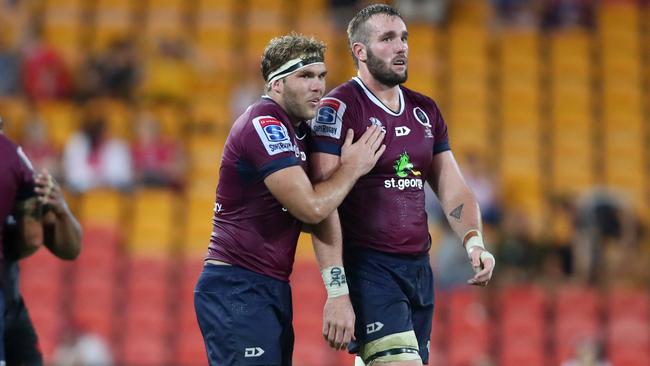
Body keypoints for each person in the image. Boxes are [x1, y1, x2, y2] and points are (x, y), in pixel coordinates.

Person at [309, 5, 496, 365]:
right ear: (360, 51)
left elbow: (452, 188)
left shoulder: (425, 110)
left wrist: (474, 242)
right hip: (369, 267)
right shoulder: (339, 108)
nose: (401, 47)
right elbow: (321, 205)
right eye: (387, 38)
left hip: (419, 270)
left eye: (404, 38)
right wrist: (336, 290)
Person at [193, 33, 386, 366]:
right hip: (238, 286)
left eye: (322, 76)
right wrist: (352, 168)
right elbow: (311, 207)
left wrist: (339, 290)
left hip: (270, 287)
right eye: (305, 76)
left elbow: (325, 209)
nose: (318, 86)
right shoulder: (263, 123)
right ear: (277, 84)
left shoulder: (301, 133)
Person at [1, 115, 83, 366]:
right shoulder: (13, 163)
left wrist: (60, 210)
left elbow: (69, 249)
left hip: (9, 303)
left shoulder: (18, 171)